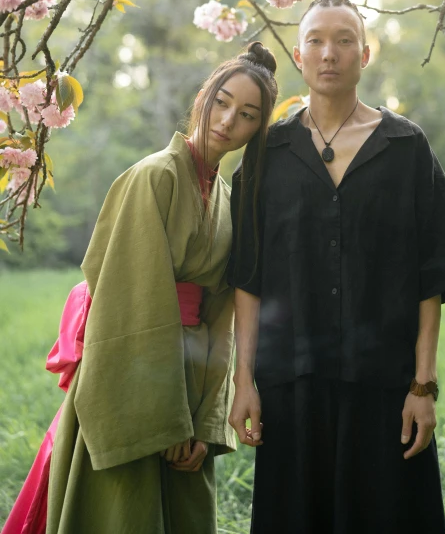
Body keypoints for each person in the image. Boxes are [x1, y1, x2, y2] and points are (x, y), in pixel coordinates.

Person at [2, 41, 278, 534]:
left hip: (189, 385)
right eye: (221, 101)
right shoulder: (154, 177)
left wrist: (201, 423)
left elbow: (222, 313)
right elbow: (129, 304)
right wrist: (162, 421)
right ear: (202, 98)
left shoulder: (229, 201)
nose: (228, 120)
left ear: (257, 130)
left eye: (248, 115)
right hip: (132, 381)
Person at [227, 0, 445, 534]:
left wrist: (423, 386)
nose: (329, 53)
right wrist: (243, 382)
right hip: (292, 387)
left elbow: (428, 279)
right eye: (315, 40)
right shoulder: (266, 154)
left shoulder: (407, 148)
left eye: (344, 40)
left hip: (384, 387)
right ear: (298, 56)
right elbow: (248, 281)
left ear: (366, 53)